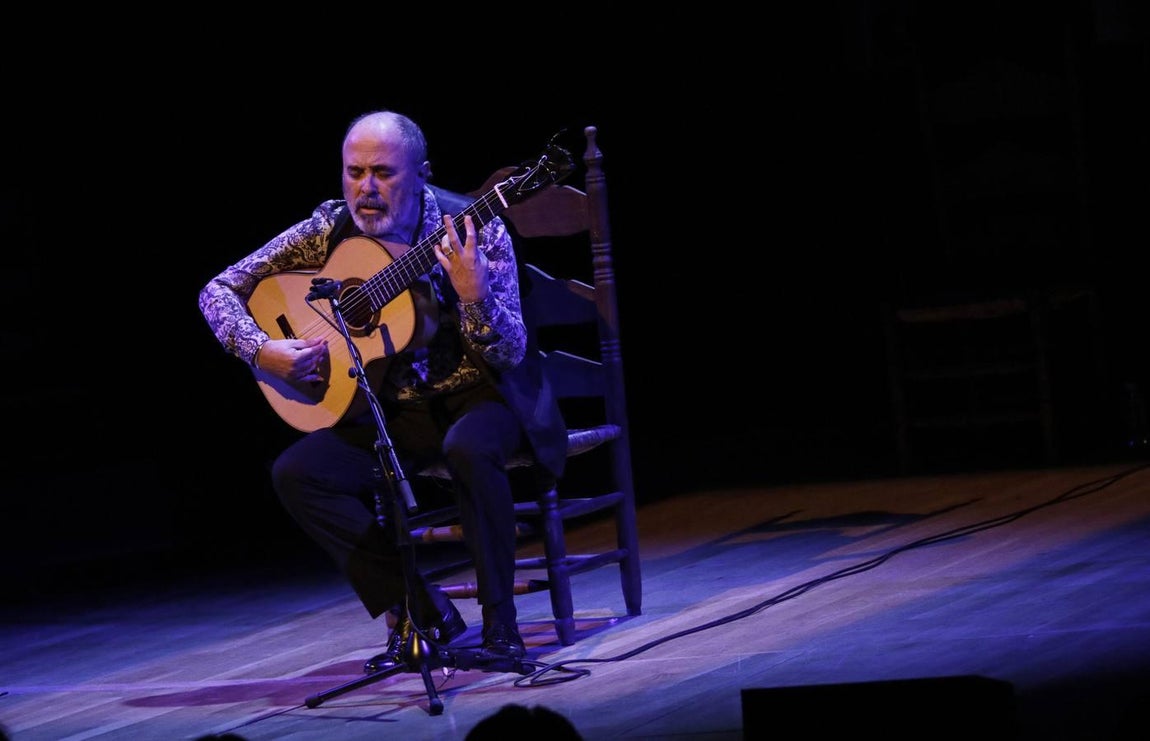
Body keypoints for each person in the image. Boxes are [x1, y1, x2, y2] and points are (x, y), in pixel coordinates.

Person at [197, 110, 568, 670]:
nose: (365, 189)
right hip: (386, 407)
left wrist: (473, 296)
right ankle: (422, 609)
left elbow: (510, 352)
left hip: (484, 396)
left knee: (467, 447)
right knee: (298, 474)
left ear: (420, 174)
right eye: (354, 172)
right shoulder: (328, 229)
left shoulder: (473, 226)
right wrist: (260, 349)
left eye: (383, 174)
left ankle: (501, 630)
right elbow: (218, 288)